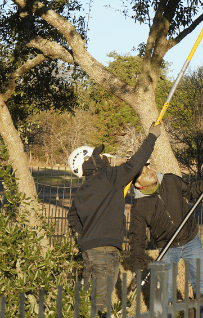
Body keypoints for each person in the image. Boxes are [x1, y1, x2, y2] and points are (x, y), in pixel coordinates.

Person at [67, 126, 161, 313]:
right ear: (95, 162)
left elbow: (72, 217)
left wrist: (89, 233)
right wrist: (152, 136)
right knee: (100, 306)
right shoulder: (110, 177)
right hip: (105, 253)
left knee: (88, 301)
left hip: (88, 252)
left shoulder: (82, 191)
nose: (105, 157)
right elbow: (136, 164)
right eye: (101, 156)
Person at [128, 165, 203, 309]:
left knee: (199, 282)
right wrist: (137, 267)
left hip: (191, 239)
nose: (149, 170)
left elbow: (191, 191)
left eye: (147, 167)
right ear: (137, 184)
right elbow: (137, 239)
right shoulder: (139, 207)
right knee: (167, 288)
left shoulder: (170, 180)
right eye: (143, 173)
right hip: (167, 248)